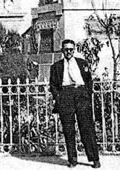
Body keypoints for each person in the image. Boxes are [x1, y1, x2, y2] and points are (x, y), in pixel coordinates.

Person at [49, 39, 100, 168]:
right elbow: (53, 85)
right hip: (66, 96)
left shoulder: (82, 63)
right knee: (68, 130)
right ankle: (72, 160)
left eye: (71, 49)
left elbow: (89, 80)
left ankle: (94, 159)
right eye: (66, 50)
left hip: (81, 95)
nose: (69, 52)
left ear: (74, 50)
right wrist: (59, 98)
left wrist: (87, 94)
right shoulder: (56, 66)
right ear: (62, 50)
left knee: (87, 128)